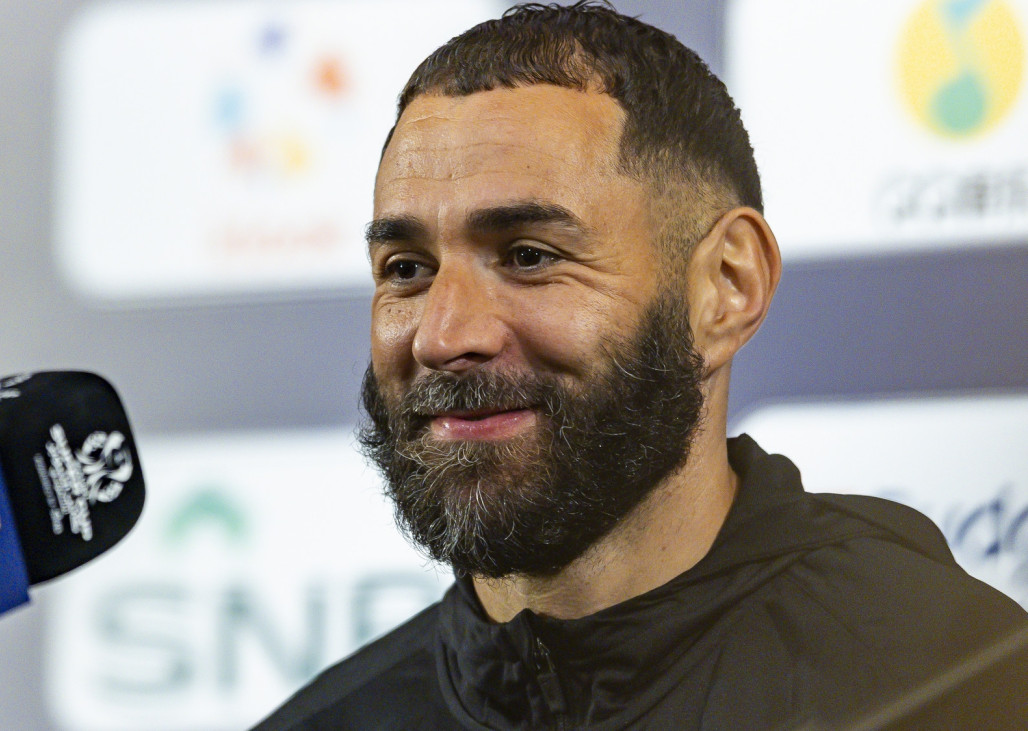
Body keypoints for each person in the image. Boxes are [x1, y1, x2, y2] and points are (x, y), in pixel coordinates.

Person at [254, 2, 1028, 728]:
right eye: (407, 269)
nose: (442, 334)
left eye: (529, 256)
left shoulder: (963, 683)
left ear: (727, 286)